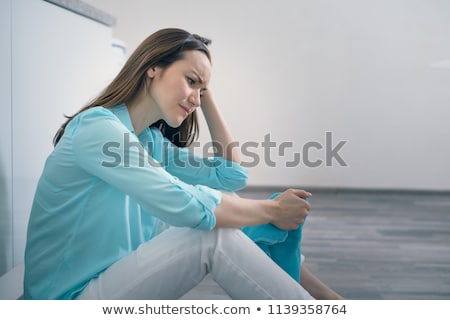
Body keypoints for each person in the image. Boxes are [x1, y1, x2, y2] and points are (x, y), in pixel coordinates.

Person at [24, 28, 342, 300]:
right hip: (67, 301)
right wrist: (272, 211)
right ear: (152, 67)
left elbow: (231, 175)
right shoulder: (97, 129)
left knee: (227, 210)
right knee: (210, 232)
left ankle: (326, 301)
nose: (196, 98)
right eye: (190, 81)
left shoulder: (148, 142)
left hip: (107, 284)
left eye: (202, 91)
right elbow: (186, 206)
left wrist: (203, 90)